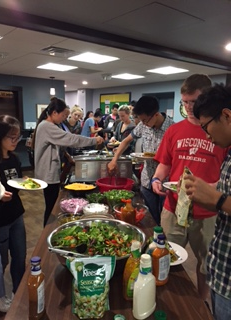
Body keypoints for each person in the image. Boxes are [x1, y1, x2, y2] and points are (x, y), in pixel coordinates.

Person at [151, 74, 228, 302]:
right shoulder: (174, 131)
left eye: (193, 101)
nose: (189, 107)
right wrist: (156, 179)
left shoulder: (222, 131)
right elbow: (165, 163)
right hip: (173, 208)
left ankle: (200, 304)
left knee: (205, 265)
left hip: (207, 213)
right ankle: (166, 298)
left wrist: (211, 189)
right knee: (165, 256)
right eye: (185, 102)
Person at [183, 84, 231, 320]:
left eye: (206, 127)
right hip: (221, 271)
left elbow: (224, 200)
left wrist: (218, 199)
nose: (207, 136)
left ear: (226, 116)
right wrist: (209, 190)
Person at [32, 97, 103, 226]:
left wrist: (66, 155)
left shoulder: (47, 125)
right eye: (63, 115)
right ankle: (47, 232)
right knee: (51, 206)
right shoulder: (47, 126)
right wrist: (93, 140)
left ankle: (48, 229)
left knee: (51, 204)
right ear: (54, 113)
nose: (64, 118)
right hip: (47, 173)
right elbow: (70, 139)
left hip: (47, 171)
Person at [108, 95, 174, 224]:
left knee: (164, 221)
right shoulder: (144, 126)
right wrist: (114, 159)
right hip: (146, 180)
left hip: (164, 183)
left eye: (145, 120)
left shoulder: (172, 129)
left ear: (155, 115)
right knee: (150, 217)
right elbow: (126, 141)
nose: (143, 124)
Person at [0, 116, 26, 313]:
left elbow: (16, 185)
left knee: (20, 257)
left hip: (16, 215)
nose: (15, 141)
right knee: (1, 262)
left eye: (17, 137)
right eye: (11, 137)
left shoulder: (14, 159)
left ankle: (18, 292)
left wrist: (24, 183)